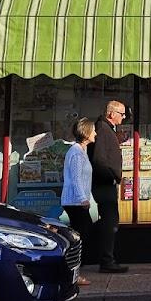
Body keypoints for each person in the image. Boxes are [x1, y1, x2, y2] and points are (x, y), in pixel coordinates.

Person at [87, 99, 129, 273]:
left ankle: (108, 259)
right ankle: (107, 261)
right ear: (112, 114)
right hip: (104, 185)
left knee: (110, 221)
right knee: (109, 222)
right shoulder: (103, 130)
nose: (124, 117)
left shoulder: (106, 129)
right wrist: (112, 176)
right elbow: (98, 160)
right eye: (122, 114)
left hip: (105, 183)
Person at [61, 117, 95, 287]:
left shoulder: (81, 150)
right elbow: (75, 178)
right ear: (86, 133)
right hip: (75, 201)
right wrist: (83, 198)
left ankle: (72, 271)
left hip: (77, 201)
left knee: (81, 235)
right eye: (93, 130)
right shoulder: (75, 152)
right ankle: (73, 272)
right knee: (81, 236)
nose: (95, 133)